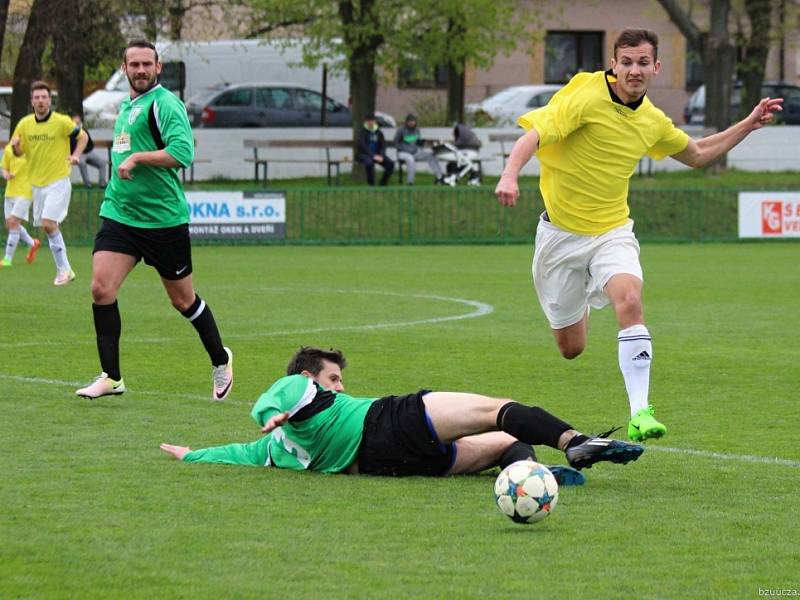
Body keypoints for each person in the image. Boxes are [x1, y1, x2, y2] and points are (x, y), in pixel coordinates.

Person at [494, 28, 783, 442]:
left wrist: (749, 124)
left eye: (642, 62)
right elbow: (535, 136)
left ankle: (640, 412)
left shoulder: (651, 121)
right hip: (560, 236)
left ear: (656, 68)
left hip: (612, 231)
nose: (634, 70)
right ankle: (585, 296)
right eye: (626, 62)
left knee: (630, 299)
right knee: (571, 348)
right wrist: (510, 174)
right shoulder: (584, 96)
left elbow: (697, 154)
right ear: (614, 64)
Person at [161, 346, 643, 479]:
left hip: (387, 465)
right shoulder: (296, 387)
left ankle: (533, 477)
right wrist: (271, 411)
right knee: (499, 411)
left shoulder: (273, 449)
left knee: (504, 447)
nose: (340, 385)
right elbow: (271, 401)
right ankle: (573, 443)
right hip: (389, 421)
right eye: (334, 379)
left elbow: (238, 453)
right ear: (309, 377)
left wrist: (193, 456)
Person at [75, 40, 233, 401]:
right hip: (120, 214)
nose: (141, 69)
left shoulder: (164, 104)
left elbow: (183, 153)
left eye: (148, 63)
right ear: (125, 68)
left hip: (163, 221)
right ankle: (111, 377)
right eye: (135, 64)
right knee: (101, 289)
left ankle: (220, 358)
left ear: (158, 67)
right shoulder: (128, 106)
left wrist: (138, 159)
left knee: (183, 301)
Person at [10, 81, 88, 285]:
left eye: (44, 97)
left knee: (48, 223)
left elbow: (83, 137)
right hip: (37, 184)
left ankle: (64, 270)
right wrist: (16, 148)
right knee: (47, 226)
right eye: (37, 97)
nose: (41, 100)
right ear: (32, 101)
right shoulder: (24, 124)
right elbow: (19, 152)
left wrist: (76, 155)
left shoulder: (62, 122)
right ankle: (65, 270)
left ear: (49, 100)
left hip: (58, 181)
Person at [2, 143, 40, 267]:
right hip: (10, 192)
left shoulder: (31, 149)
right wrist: (6, 174)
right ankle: (33, 243)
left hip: (25, 192)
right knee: (11, 224)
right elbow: (4, 167)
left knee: (13, 223)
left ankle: (7, 259)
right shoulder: (8, 149)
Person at [393, 114, 445, 185]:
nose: (411, 123)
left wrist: (426, 144)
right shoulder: (401, 130)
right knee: (411, 160)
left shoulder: (417, 130)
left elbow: (418, 142)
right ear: (406, 122)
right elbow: (395, 142)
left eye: (413, 121)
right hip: (403, 153)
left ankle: (440, 177)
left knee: (431, 155)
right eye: (410, 121)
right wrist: (404, 149)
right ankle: (410, 182)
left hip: (415, 152)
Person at [71, 115, 108, 188]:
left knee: (102, 163)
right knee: (82, 163)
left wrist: (86, 149)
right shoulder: (70, 132)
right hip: (78, 154)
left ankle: (102, 183)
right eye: (75, 122)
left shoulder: (84, 130)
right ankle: (87, 184)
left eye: (78, 122)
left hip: (88, 152)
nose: (77, 123)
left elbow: (90, 143)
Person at [356, 114, 394, 186]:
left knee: (390, 163)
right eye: (369, 121)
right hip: (364, 155)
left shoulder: (379, 132)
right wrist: (373, 155)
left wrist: (381, 155)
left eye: (373, 121)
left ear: (375, 122)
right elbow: (363, 146)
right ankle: (371, 184)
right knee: (369, 163)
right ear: (366, 122)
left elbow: (383, 145)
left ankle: (383, 183)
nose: (371, 122)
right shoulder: (362, 132)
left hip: (377, 155)